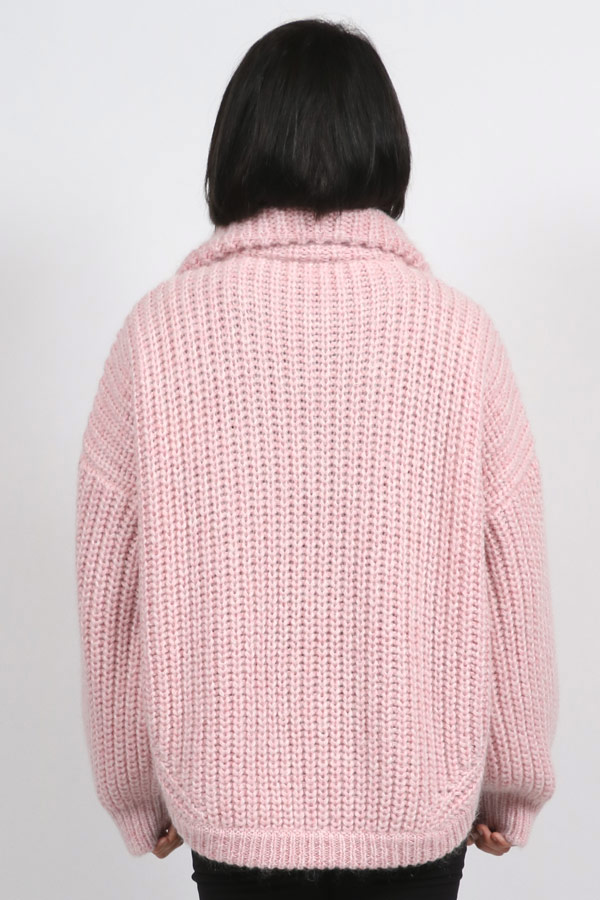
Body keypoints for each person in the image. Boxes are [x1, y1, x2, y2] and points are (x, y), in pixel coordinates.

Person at [75, 17, 559, 900]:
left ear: (235, 149)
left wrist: (137, 792)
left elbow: (110, 588)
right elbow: (512, 577)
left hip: (228, 805)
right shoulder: (461, 339)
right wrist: (512, 782)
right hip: (420, 805)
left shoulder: (156, 339)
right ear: (384, 147)